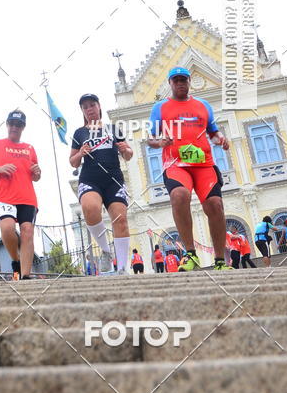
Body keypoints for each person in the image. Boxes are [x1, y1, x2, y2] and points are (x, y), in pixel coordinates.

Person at [148, 67, 233, 271]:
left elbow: (212, 132)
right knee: (179, 195)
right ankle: (190, 254)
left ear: (189, 81)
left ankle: (220, 260)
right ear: (170, 83)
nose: (180, 83)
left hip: (204, 165)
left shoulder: (203, 105)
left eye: (183, 80)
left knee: (215, 204)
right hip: (176, 164)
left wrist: (220, 139)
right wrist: (161, 143)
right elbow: (150, 138)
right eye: (176, 80)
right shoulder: (160, 108)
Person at [70, 93, 134, 275]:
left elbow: (129, 155)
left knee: (120, 220)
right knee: (90, 208)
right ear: (82, 111)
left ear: (99, 106)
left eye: (92, 105)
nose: (89, 109)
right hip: (90, 178)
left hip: (114, 179)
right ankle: (106, 251)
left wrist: (125, 149)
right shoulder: (79, 133)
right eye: (85, 107)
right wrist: (80, 153)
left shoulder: (114, 129)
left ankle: (122, 267)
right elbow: (73, 162)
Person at [0, 110, 41, 280]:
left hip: (27, 197)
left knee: (27, 231)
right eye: (12, 124)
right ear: (7, 125)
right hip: (4, 196)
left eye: (19, 125)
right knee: (7, 228)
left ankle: (25, 276)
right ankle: (16, 260)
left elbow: (36, 176)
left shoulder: (29, 148)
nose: (15, 127)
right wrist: (0, 168)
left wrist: (37, 172)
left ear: (23, 127)